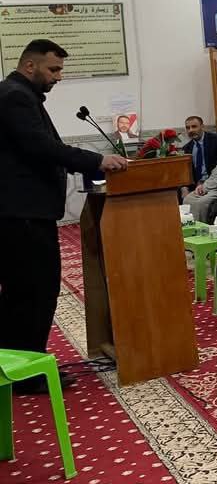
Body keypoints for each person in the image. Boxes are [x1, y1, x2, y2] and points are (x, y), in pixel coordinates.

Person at [0, 39, 127, 393]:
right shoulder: (14, 96)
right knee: (34, 293)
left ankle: (17, 365)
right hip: (22, 214)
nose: (59, 77)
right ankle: (25, 373)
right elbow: (40, 147)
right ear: (30, 66)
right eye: (53, 69)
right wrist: (97, 160)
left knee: (22, 293)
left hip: (21, 213)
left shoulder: (19, 94)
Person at [182, 115, 217, 187]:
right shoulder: (186, 148)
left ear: (202, 127)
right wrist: (183, 187)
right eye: (188, 128)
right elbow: (185, 174)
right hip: (196, 186)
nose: (191, 130)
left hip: (216, 182)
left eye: (194, 127)